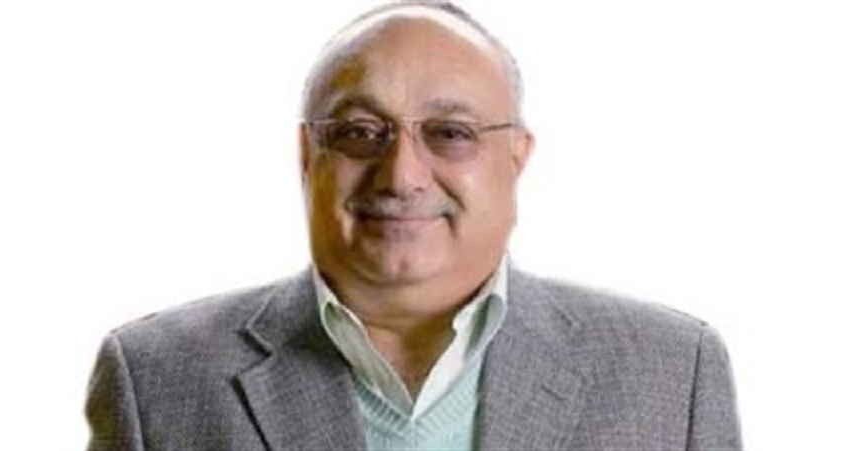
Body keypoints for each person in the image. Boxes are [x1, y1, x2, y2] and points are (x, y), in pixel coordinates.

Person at [85, 1, 741, 449]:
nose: (401, 175)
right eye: (360, 132)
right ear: (307, 156)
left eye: (450, 133)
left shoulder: (671, 372)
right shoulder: (157, 378)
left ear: (516, 158)